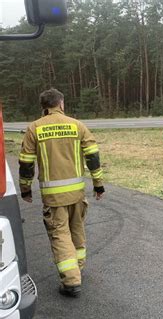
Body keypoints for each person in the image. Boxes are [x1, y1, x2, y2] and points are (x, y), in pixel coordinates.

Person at [18, 88, 105, 297]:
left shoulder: (34, 128)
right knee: (77, 230)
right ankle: (78, 268)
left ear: (44, 107)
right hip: (77, 193)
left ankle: (71, 281)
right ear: (61, 104)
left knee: (60, 235)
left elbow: (26, 163)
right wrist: (98, 184)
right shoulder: (77, 125)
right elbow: (93, 156)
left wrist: (25, 188)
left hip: (54, 196)